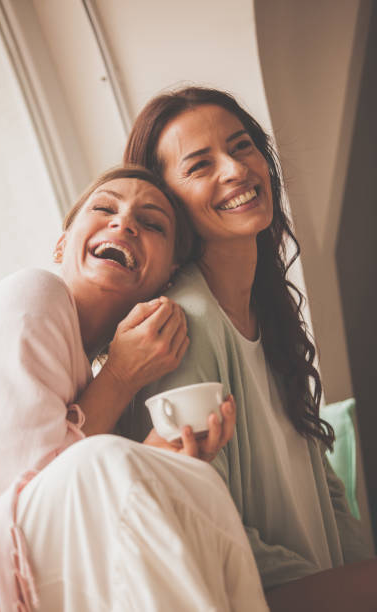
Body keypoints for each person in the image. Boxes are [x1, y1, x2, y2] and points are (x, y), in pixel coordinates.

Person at [0, 165, 269, 611]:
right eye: (105, 208)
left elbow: (65, 496)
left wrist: (165, 456)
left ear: (167, 277)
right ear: (61, 243)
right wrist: (121, 377)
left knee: (196, 487)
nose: (124, 222)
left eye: (150, 224)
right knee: (107, 462)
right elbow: (20, 497)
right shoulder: (33, 294)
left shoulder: (80, 371)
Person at [122, 87, 377, 611]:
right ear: (166, 202)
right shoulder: (184, 322)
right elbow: (204, 524)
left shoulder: (266, 299)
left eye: (242, 147)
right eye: (200, 166)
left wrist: (353, 570)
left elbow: (321, 475)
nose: (235, 170)